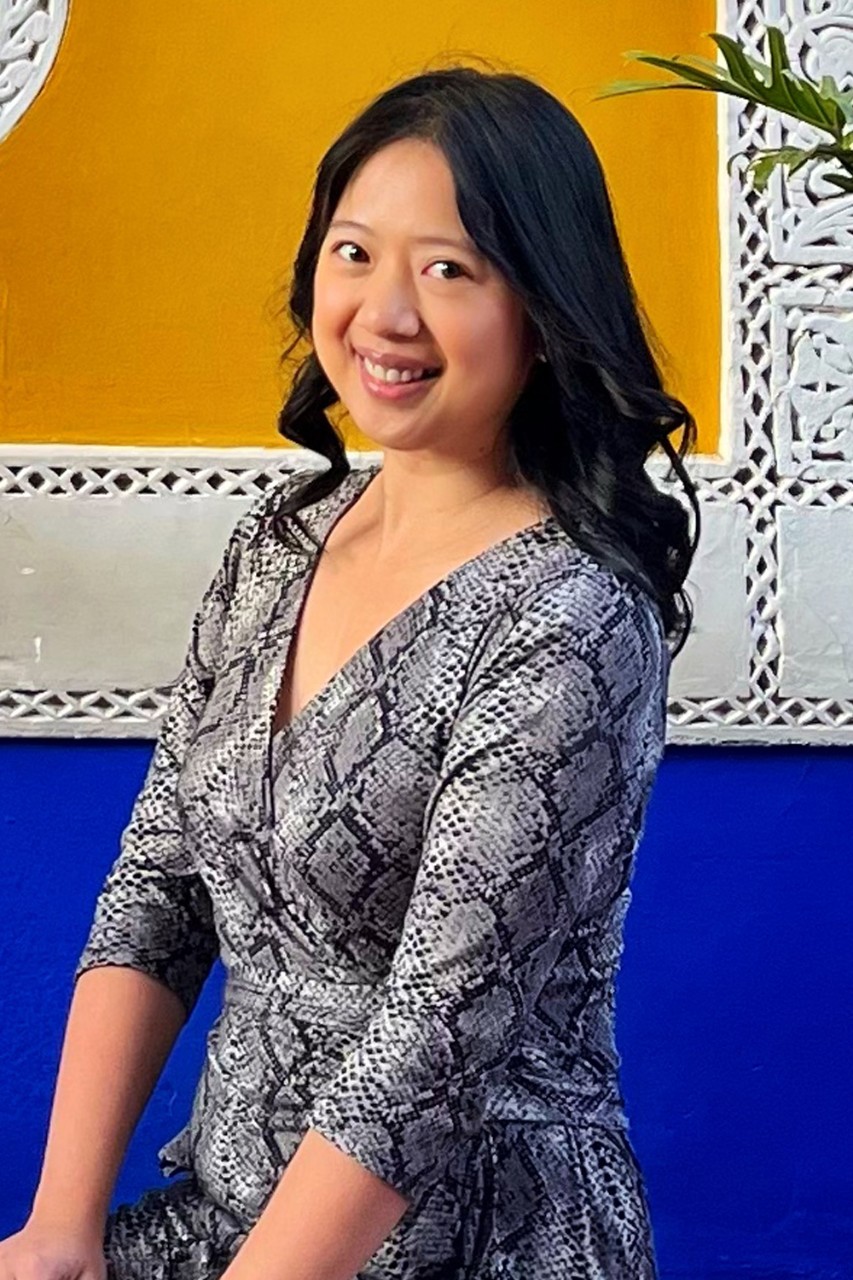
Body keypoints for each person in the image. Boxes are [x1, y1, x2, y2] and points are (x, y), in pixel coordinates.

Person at [2, 64, 699, 1280]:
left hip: (476, 1238)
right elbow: (157, 888)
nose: (386, 313)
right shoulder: (280, 542)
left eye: (450, 269)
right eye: (355, 252)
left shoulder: (572, 612)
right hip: (230, 1211)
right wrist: (60, 1230)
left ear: (542, 310)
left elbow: (433, 1039)